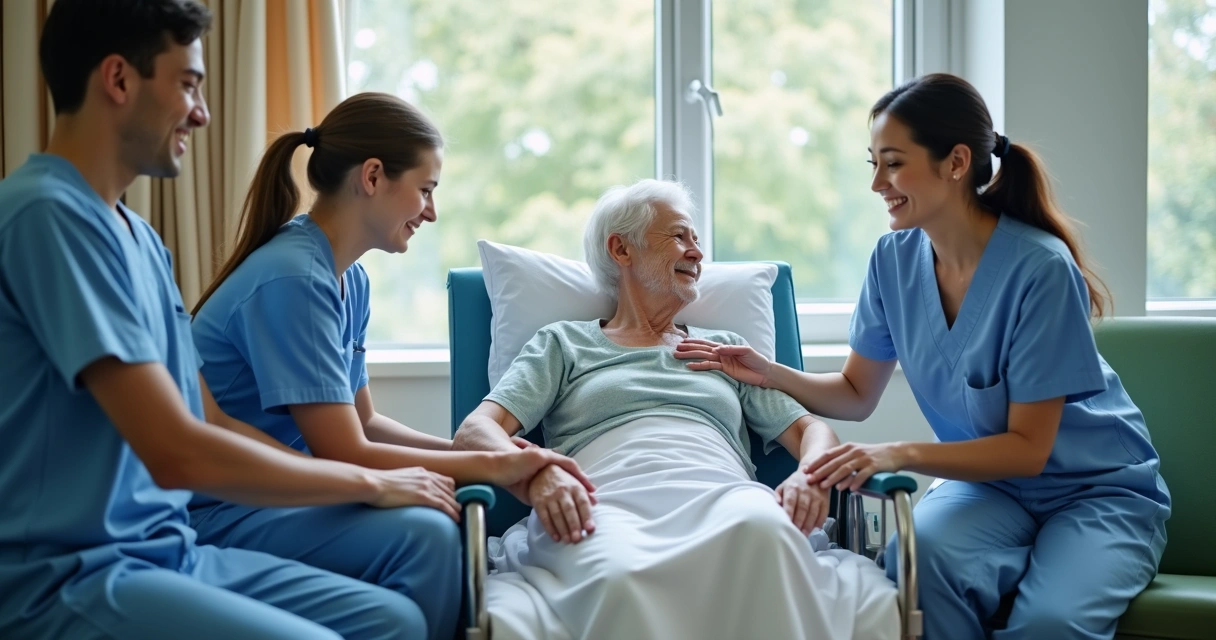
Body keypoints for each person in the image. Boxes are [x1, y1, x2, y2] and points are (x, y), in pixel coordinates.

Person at [0, 1, 478, 639]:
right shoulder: (47, 218)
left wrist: (387, 475)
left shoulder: (140, 239)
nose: (200, 112)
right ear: (118, 80)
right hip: (70, 573)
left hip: (167, 549)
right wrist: (364, 479)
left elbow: (211, 419)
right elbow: (174, 451)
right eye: (189, 85)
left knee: (394, 620)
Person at [675, 73, 1171, 640]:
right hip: (989, 489)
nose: (877, 184)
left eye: (892, 163)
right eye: (873, 163)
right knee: (916, 565)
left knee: (1049, 623)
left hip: (1094, 492)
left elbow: (1030, 449)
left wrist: (896, 453)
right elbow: (856, 395)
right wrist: (767, 371)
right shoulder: (892, 260)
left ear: (956, 162)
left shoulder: (1040, 269)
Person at [187, 91, 593, 640]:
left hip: (288, 491)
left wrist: (469, 454)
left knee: (436, 522)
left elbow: (365, 424)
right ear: (373, 176)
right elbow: (345, 451)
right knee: (426, 533)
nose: (431, 211)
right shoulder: (295, 278)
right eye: (425, 190)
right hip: (225, 505)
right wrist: (496, 469)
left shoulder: (347, 278)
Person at [451, 179, 900, 640]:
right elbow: (474, 432)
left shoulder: (724, 350)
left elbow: (811, 431)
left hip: (721, 492)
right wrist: (538, 472)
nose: (697, 253)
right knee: (617, 572)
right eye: (680, 237)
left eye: (697, 241)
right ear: (621, 250)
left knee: (764, 533)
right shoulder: (563, 343)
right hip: (605, 497)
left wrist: (810, 476)